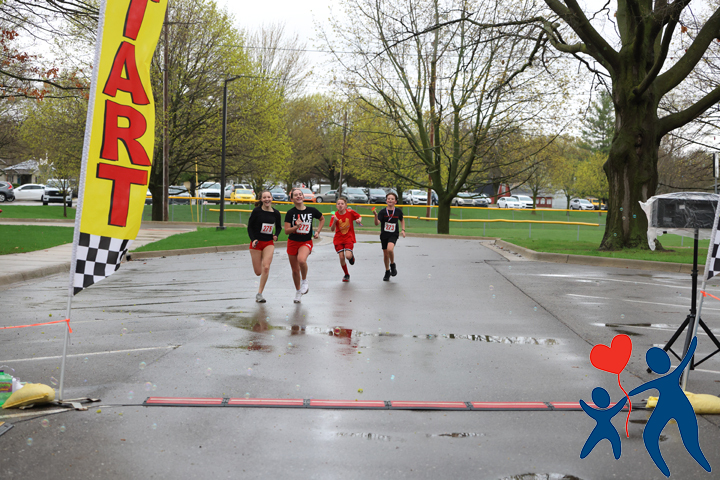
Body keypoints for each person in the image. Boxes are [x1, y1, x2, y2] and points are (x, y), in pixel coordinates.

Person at [628, 337, 711, 477]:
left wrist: (693, 345)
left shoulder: (665, 379)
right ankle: (671, 467)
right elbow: (686, 360)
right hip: (677, 406)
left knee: (653, 436)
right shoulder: (671, 375)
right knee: (687, 439)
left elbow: (641, 388)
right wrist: (693, 345)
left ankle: (668, 467)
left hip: (670, 407)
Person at [284, 187, 325, 303]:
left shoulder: (312, 210)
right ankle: (298, 292)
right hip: (293, 242)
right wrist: (296, 227)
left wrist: (318, 231)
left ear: (303, 196)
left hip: (305, 241)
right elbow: (286, 231)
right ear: (292, 199)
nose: (298, 196)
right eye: (295, 195)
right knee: (295, 270)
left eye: (300, 194)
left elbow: (322, 219)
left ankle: (305, 280)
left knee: (301, 260)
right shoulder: (290, 213)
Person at [247, 190, 282, 303]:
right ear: (261, 199)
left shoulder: (276, 213)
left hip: (268, 243)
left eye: (268, 197)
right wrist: (253, 239)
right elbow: (250, 227)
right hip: (256, 243)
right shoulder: (256, 211)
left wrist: (276, 235)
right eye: (264, 197)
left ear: (272, 198)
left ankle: (259, 294)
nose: (267, 199)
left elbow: (279, 227)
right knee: (258, 272)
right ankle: (261, 262)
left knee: (266, 267)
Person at [579, 388, 627, 460]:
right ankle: (617, 456)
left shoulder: (596, 413)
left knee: (590, 442)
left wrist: (582, 403)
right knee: (616, 442)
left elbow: (587, 409)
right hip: (609, 428)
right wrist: (625, 398)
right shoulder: (609, 412)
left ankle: (583, 454)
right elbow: (618, 406)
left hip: (599, 429)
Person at [373, 191, 405, 281]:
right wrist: (376, 216)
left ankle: (392, 265)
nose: (390, 200)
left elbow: (402, 220)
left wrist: (403, 230)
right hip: (384, 235)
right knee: (385, 254)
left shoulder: (398, 211)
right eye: (388, 199)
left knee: (390, 249)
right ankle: (387, 271)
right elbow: (377, 223)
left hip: (393, 234)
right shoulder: (382, 212)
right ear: (386, 201)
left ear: (395, 201)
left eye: (392, 199)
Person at [330, 196, 363, 282]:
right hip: (338, 238)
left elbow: (359, 216)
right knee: (341, 257)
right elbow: (332, 229)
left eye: (342, 204)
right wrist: (334, 221)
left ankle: (351, 257)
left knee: (348, 256)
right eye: (338, 204)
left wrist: (359, 220)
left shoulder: (350, 212)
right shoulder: (334, 215)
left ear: (345, 205)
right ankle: (346, 274)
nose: (340, 205)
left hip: (348, 237)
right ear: (336, 206)